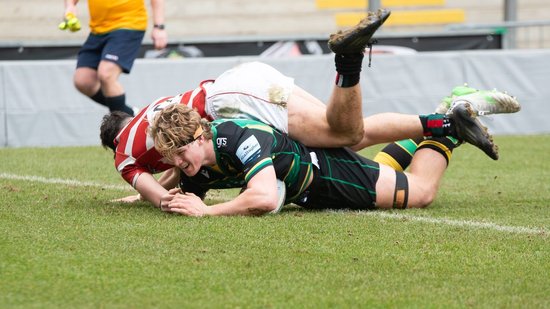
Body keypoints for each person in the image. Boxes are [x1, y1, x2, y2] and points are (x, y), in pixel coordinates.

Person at [99, 9, 519, 209]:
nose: (171, 165)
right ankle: (446, 116)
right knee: (354, 134)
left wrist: (197, 207)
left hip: (239, 100)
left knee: (394, 171)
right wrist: (173, 190)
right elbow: (178, 171)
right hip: (235, 88)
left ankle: (439, 118)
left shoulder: (133, 152)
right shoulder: (162, 121)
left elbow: (252, 193)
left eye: (175, 157)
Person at [149, 102, 496, 216]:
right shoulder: (197, 165)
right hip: (311, 180)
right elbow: (181, 187)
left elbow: (265, 196)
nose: (178, 163)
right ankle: (439, 122)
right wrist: (141, 192)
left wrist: (207, 211)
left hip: (327, 174)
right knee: (379, 165)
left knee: (419, 193)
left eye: (180, 153)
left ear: (200, 136)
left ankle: (448, 130)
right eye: (171, 158)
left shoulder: (238, 139)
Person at [62, 0, 168, 116]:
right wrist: (70, 6)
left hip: (128, 24)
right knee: (83, 81)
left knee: (106, 74)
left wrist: (159, 26)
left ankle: (120, 127)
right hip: (98, 29)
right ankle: (132, 114)